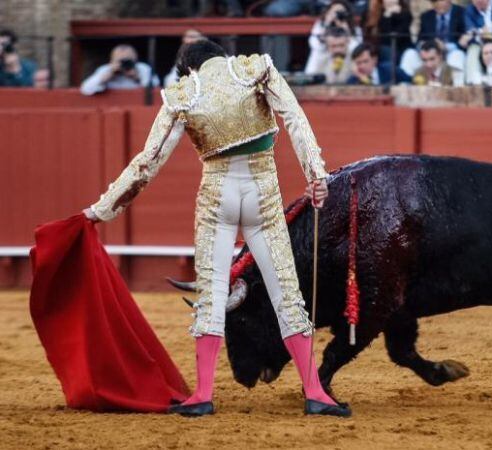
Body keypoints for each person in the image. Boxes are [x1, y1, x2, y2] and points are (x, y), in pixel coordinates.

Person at [82, 40, 351, 418]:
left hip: (217, 197)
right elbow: (295, 119)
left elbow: (148, 162)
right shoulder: (255, 69)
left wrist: (101, 210)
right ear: (221, 55)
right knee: (287, 295)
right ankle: (315, 394)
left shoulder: (183, 93)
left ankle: (203, 395)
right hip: (262, 193)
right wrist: (316, 176)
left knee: (210, 295)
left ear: (189, 69)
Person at [304, 0, 363, 76]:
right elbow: (315, 46)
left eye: (341, 13)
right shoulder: (321, 26)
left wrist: (346, 30)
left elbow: (356, 51)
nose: (337, 15)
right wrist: (327, 23)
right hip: (325, 60)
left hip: (347, 62)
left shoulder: (355, 29)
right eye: (335, 12)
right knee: (317, 54)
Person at [80, 44, 159, 96]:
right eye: (120, 61)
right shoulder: (106, 69)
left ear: (135, 60)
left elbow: (155, 86)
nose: (123, 64)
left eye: (127, 61)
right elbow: (86, 89)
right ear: (112, 61)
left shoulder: (142, 68)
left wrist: (137, 77)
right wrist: (106, 77)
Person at [363, 0, 413, 66]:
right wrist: (387, 14)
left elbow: (394, 37)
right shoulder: (377, 13)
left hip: (401, 49)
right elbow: (382, 36)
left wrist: (388, 15)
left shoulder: (405, 14)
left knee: (388, 51)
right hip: (378, 49)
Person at [346, 42, 411, 84]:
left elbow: (411, 81)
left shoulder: (390, 70)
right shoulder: (353, 81)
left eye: (365, 61)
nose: (362, 66)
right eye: (358, 63)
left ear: (375, 60)